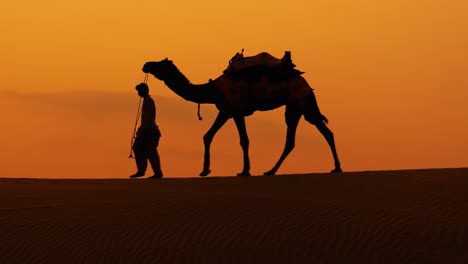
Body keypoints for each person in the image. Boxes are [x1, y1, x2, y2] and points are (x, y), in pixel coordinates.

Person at [130, 83, 163, 179]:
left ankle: (151, 172)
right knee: (142, 149)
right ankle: (143, 170)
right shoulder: (147, 101)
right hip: (147, 130)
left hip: (149, 131)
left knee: (150, 151)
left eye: (139, 91)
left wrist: (142, 130)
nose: (138, 93)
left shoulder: (148, 101)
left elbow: (149, 119)